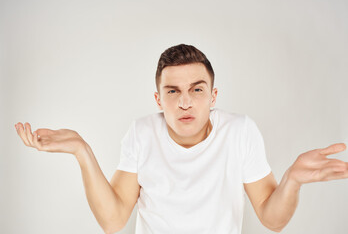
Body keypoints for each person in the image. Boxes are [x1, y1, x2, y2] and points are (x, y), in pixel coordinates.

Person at [15, 44, 348, 234]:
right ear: (158, 99)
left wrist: (292, 179)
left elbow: (272, 219)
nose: (185, 101)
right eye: (172, 91)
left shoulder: (239, 131)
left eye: (196, 90)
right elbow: (114, 220)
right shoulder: (142, 132)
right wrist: (82, 151)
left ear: (213, 95)